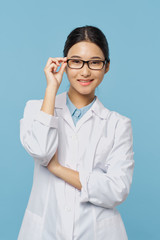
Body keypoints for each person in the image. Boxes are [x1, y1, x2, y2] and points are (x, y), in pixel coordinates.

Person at [18, 25, 134, 240]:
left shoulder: (118, 124)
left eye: (95, 62)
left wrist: (56, 168)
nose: (85, 71)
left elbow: (116, 189)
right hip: (44, 231)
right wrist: (51, 88)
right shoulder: (36, 109)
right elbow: (42, 151)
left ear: (106, 67)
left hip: (99, 233)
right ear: (64, 63)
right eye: (76, 61)